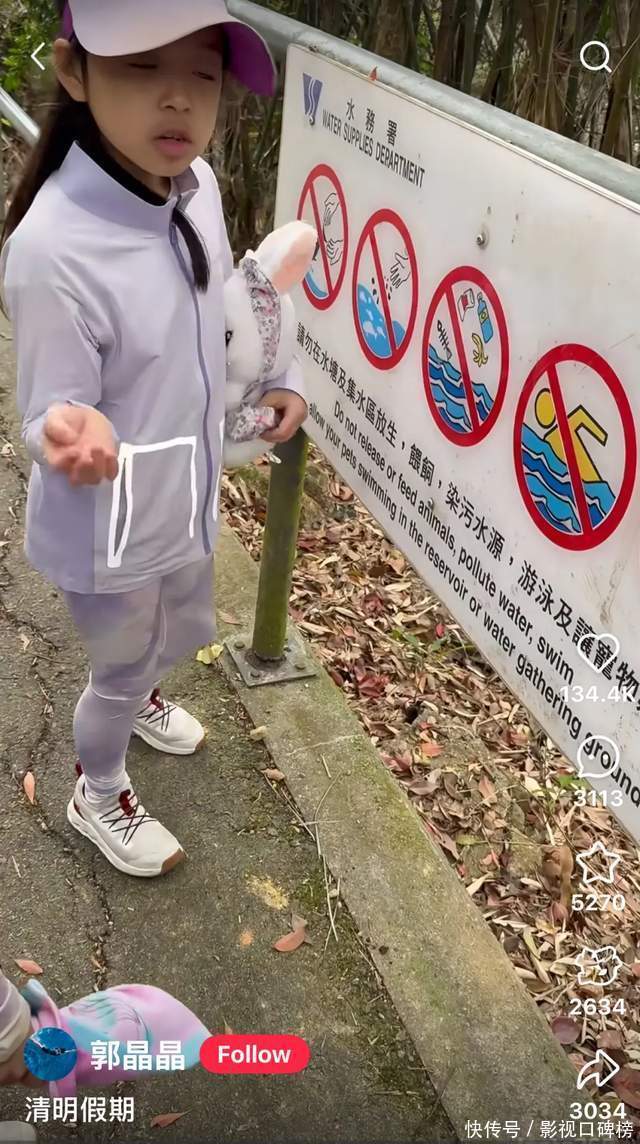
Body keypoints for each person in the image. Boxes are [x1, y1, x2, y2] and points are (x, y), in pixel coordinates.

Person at [0, 0, 308, 878]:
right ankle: (97, 791)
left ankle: (139, 693)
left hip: (183, 488)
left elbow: (221, 313)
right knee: (120, 661)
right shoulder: (54, 249)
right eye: (141, 68)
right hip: (107, 521)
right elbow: (45, 413)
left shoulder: (195, 187)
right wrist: (70, 428)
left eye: (202, 75)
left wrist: (278, 379)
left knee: (170, 628)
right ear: (74, 72)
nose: (178, 100)